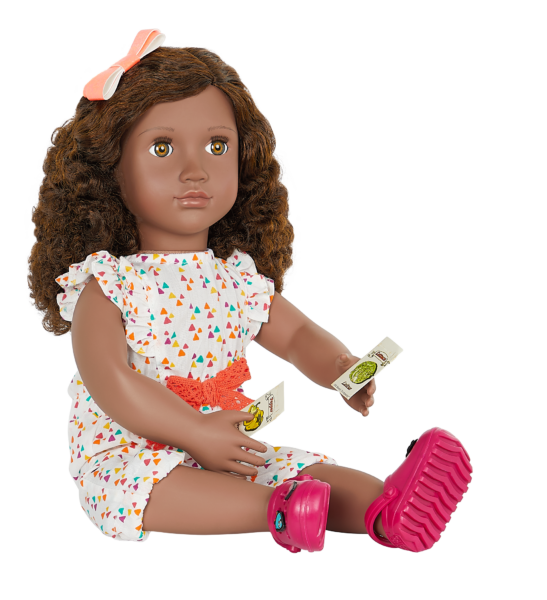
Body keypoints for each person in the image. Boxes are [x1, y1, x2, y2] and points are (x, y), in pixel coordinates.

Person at [26, 28, 473, 550]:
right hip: (130, 449)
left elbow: (295, 334)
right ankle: (278, 513)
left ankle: (384, 509)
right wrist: (193, 432)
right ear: (111, 169)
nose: (195, 170)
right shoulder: (107, 283)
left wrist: (340, 367)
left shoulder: (234, 276)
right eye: (162, 147)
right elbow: (110, 380)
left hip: (225, 441)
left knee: (295, 468)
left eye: (217, 146)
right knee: (143, 489)